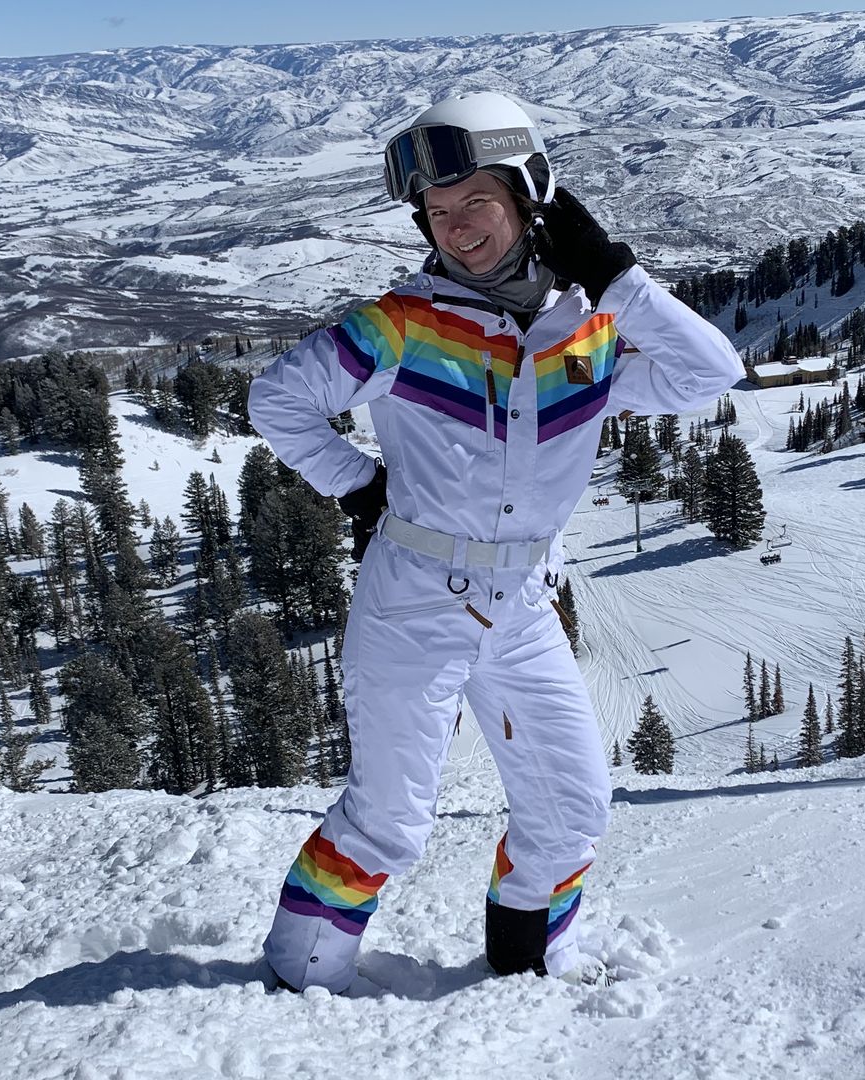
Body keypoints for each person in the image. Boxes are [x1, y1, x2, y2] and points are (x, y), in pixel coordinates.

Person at [250, 90, 742, 993]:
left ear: (530, 197)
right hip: (412, 603)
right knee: (387, 821)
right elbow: (276, 399)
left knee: (572, 805)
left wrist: (616, 275)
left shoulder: (590, 331)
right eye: (438, 212)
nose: (457, 226)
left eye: (477, 200)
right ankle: (297, 980)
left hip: (520, 606)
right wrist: (358, 485)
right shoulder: (402, 324)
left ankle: (528, 961)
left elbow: (710, 371)